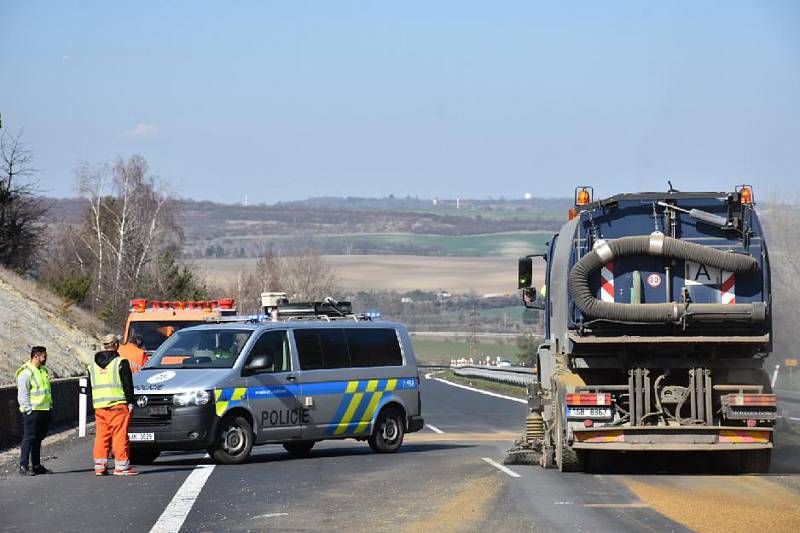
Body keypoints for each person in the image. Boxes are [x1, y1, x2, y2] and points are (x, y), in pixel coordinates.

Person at [89, 334, 138, 476]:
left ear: (104, 345)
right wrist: (131, 402)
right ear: (116, 345)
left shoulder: (92, 366)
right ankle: (121, 467)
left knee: (101, 436)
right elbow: (128, 385)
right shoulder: (121, 362)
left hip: (99, 406)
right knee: (119, 436)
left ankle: (100, 466)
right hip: (118, 405)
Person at [16, 346, 53, 476]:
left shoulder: (43, 370)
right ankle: (23, 466)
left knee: (38, 439)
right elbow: (23, 394)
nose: (46, 358)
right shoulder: (26, 372)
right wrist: (29, 410)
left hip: (44, 410)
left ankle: (36, 466)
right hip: (33, 412)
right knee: (29, 438)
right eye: (44, 356)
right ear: (36, 356)